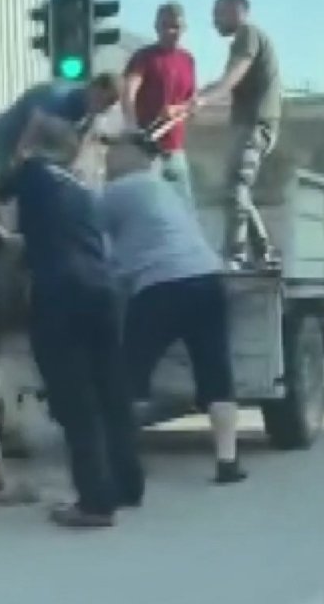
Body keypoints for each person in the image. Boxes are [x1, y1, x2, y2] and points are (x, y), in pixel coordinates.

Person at [0, 117, 143, 529]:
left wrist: (23, 147)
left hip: (61, 293)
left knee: (76, 401)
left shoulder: (33, 172)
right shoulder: (81, 188)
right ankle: (127, 484)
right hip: (104, 291)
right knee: (112, 393)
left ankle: (95, 503)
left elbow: (0, 191)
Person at [96, 139, 249, 485]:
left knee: (130, 375)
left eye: (110, 154)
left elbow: (95, 246)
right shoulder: (168, 190)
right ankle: (228, 462)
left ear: (124, 158)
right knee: (215, 372)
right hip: (208, 280)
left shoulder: (114, 192)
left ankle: (122, 458)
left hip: (159, 287)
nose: (106, 161)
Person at [181, 0, 283, 269]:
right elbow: (227, 81)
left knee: (237, 186)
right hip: (252, 125)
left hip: (255, 124)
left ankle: (236, 252)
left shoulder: (247, 35)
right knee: (236, 189)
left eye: (219, 13)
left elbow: (232, 77)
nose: (214, 20)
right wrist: (198, 97)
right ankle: (264, 251)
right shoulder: (247, 38)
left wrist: (205, 99)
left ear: (237, 11)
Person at [0, 73, 123, 185]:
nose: (106, 108)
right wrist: (16, 170)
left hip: (37, 141)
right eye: (106, 100)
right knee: (12, 192)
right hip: (2, 142)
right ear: (95, 88)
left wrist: (69, 176)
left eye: (111, 104)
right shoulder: (58, 96)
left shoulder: (90, 110)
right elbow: (32, 131)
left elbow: (78, 147)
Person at [122, 1, 197, 204]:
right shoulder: (144, 57)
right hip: (145, 151)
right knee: (147, 207)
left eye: (177, 27)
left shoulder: (188, 60)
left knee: (185, 210)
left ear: (185, 28)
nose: (172, 31)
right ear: (157, 27)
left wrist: (177, 110)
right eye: (166, 26)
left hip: (175, 151)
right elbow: (129, 91)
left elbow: (192, 103)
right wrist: (132, 124)